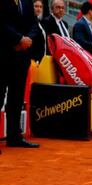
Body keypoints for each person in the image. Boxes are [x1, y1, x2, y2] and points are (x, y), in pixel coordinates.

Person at [0, 0, 41, 153]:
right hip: (3, 53)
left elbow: (34, 24)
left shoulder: (27, 1)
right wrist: (18, 39)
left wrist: (27, 39)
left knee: (16, 97)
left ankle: (14, 136)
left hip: (22, 55)